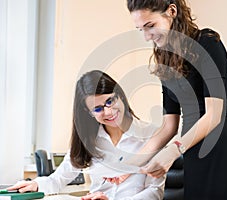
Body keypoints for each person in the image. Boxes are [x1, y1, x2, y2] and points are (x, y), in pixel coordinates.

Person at [126, 0, 227, 199]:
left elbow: (214, 115)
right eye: (140, 29)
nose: (146, 37)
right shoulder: (165, 59)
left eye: (150, 26)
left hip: (221, 150)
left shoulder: (208, 42)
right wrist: (128, 165)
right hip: (192, 153)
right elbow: (169, 126)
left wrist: (172, 151)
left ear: (171, 11)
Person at [7, 70, 165, 200]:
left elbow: (155, 191)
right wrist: (36, 184)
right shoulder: (89, 141)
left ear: (120, 96)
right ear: (88, 113)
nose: (108, 112)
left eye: (110, 101)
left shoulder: (152, 135)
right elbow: (57, 179)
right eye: (98, 109)